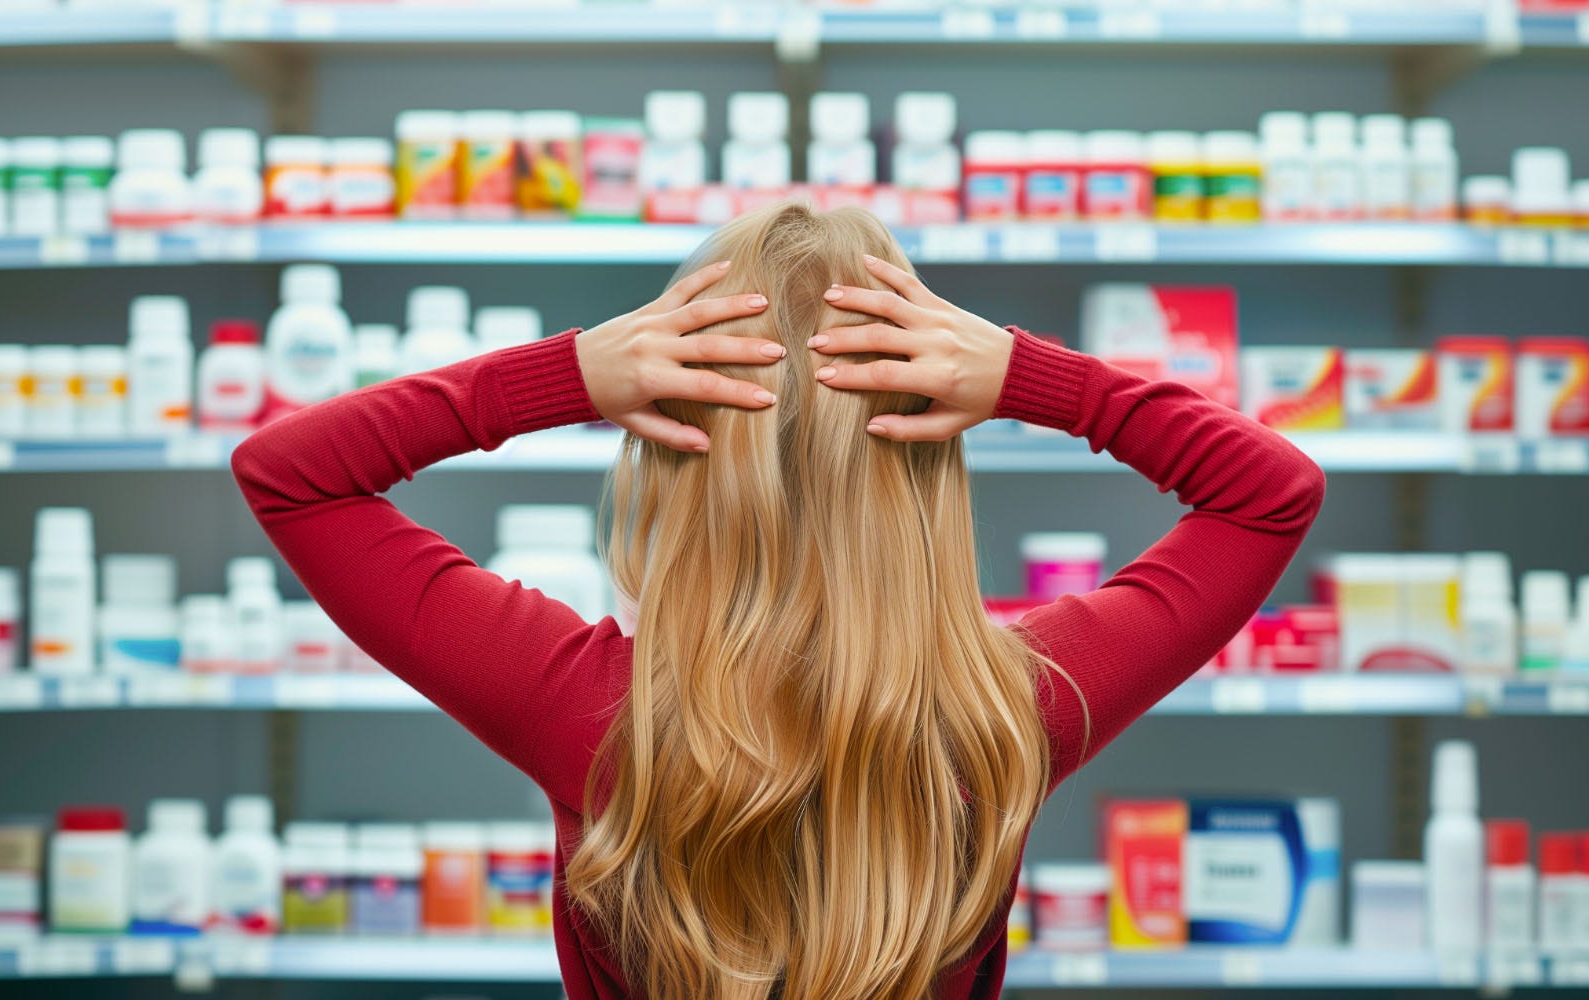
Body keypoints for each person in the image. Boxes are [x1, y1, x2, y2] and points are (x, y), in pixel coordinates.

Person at [232, 203, 1325, 1000]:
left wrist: (564, 374)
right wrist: (1033, 379)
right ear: (930, 467)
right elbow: (1267, 494)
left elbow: (295, 475)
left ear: (673, 454)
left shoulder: (586, 708)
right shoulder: (1011, 711)